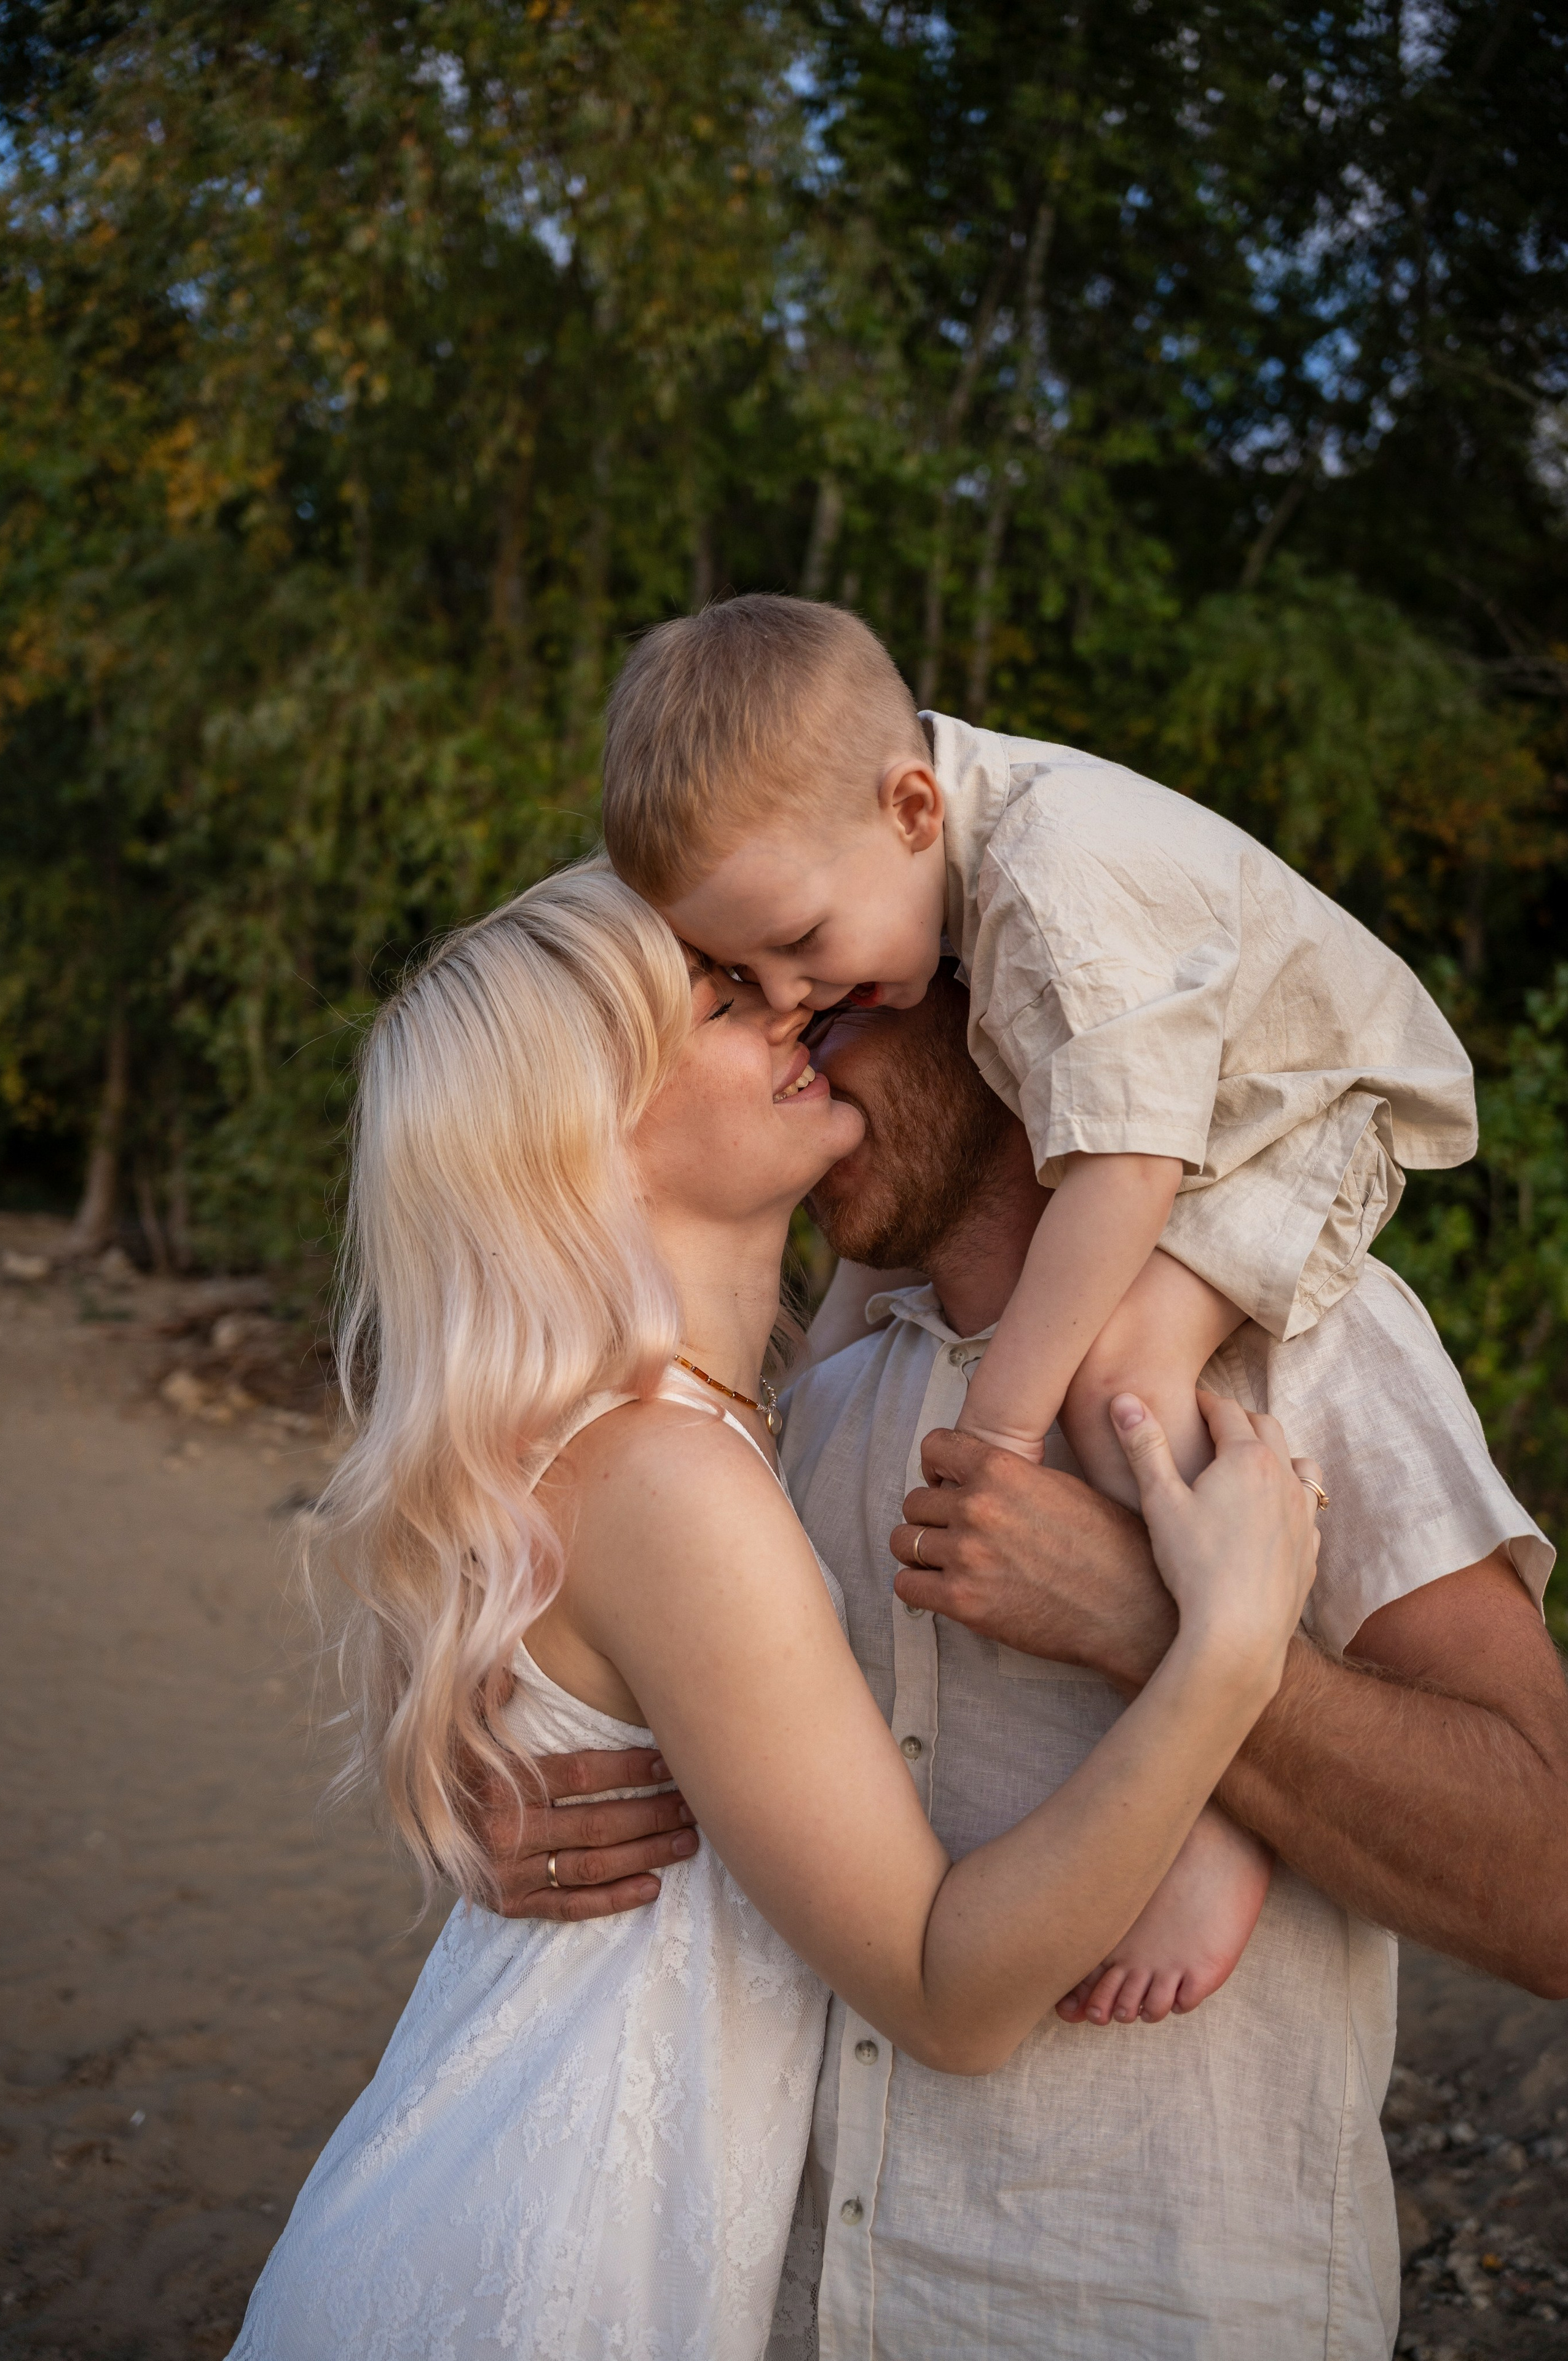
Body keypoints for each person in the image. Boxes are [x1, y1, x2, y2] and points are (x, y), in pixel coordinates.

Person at [227, 868, 1321, 2361]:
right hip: (544, 2259)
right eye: (726, 1000)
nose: (799, 1001)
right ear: (581, 1135)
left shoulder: (733, 1416)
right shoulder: (669, 1478)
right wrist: (1227, 1660)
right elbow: (946, 1993)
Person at [493, 968, 1566, 2360]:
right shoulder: (802, 1420)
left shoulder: (1306, 1341)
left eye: (835, 1016)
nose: (801, 1063)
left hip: (1152, 2314)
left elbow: (1546, 1881)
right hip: (794, 2306)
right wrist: (524, 1822)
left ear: (998, 1009)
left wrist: (1141, 1621)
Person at [597, 593, 1477, 2022]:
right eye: (747, 989)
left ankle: (1217, 1796)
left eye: (812, 970)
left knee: (1121, 1383)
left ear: (910, 804)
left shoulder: (1054, 871)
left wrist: (996, 1432)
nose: (793, 1006)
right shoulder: (912, 872)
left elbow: (1126, 1162)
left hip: (1289, 1106)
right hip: (1190, 1114)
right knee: (1094, 1366)